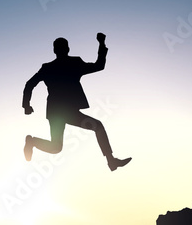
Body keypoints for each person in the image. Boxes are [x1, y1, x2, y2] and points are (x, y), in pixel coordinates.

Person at [22, 33, 131, 171]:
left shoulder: (48, 67)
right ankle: (111, 161)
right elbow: (99, 65)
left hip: (56, 112)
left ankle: (32, 142)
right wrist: (101, 43)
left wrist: (26, 105)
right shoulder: (74, 63)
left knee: (56, 147)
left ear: (55, 51)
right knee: (97, 126)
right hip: (67, 111)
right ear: (67, 49)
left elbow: (29, 84)